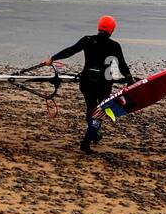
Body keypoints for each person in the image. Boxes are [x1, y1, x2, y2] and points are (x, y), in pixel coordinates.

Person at [43, 15, 134, 153]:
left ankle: (94, 135)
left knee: (91, 108)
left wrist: (53, 58)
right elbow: (122, 66)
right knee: (100, 112)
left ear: (99, 27)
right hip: (103, 85)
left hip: (86, 82)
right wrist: (130, 80)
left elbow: (70, 50)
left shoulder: (88, 40)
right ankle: (85, 143)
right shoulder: (114, 45)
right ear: (112, 30)